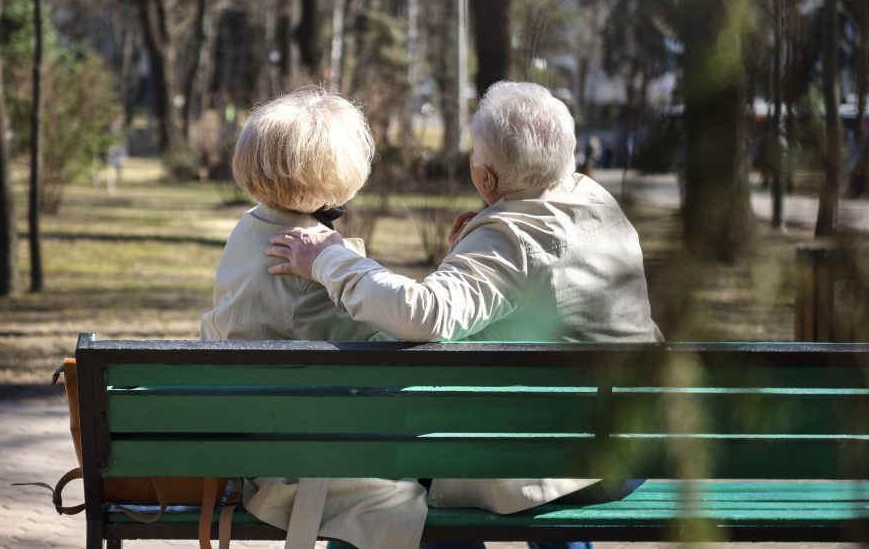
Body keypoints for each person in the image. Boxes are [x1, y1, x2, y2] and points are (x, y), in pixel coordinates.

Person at [267, 81, 662, 549]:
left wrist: (329, 259)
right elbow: (541, 300)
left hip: (565, 463)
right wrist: (468, 251)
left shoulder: (510, 241)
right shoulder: (600, 206)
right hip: (632, 446)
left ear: (487, 178)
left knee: (386, 483)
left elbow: (425, 316)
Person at [202, 87, 428, 549]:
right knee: (436, 495)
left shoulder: (248, 229)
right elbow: (391, 352)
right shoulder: (309, 262)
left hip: (253, 440)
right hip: (299, 464)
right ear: (342, 171)